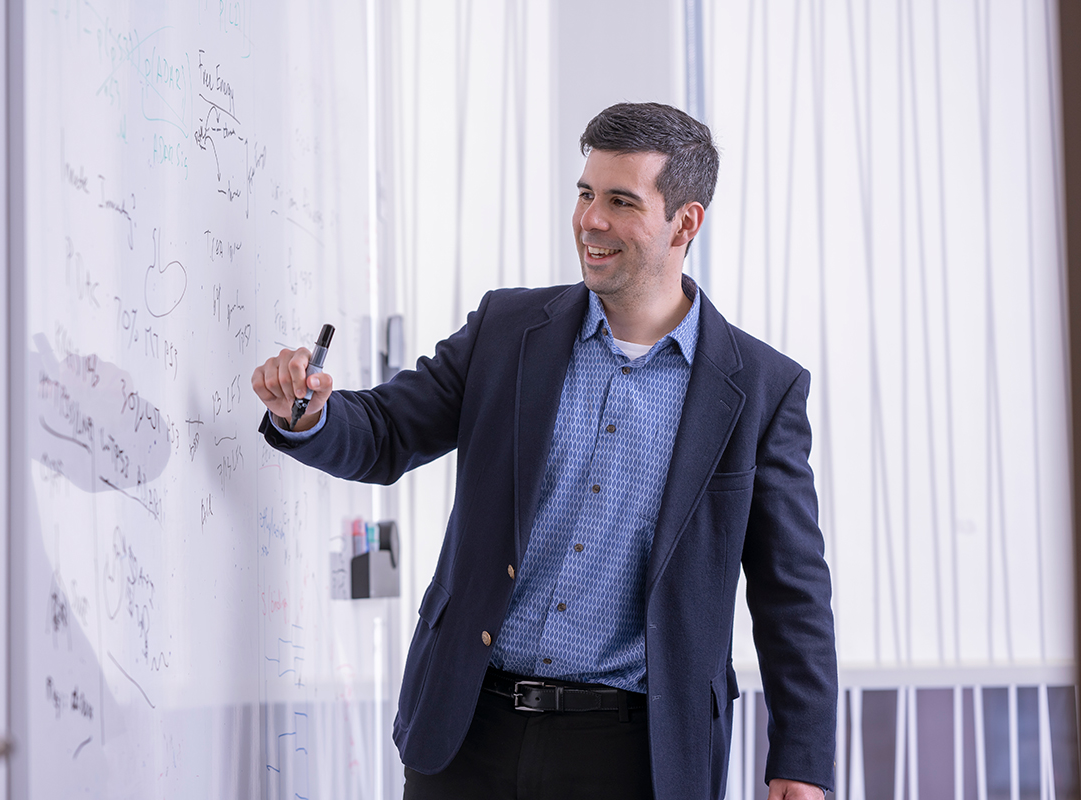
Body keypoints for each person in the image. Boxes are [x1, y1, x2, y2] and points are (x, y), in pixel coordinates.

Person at [251, 102, 836, 800]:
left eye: (621, 201)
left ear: (686, 222)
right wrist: (311, 415)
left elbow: (791, 594)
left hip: (637, 755)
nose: (590, 219)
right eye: (586, 194)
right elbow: (385, 434)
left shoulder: (760, 389)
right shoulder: (507, 330)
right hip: (467, 732)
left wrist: (800, 764)